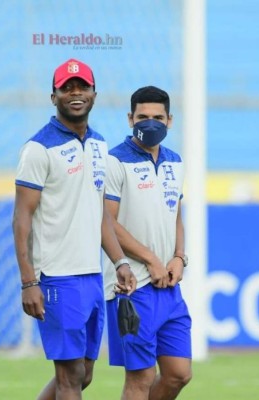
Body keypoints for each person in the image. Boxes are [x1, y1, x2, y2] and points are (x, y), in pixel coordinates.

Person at [12, 58, 136, 400]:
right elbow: (21, 219)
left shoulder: (99, 146)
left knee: (84, 374)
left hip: (92, 276)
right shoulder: (38, 149)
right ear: (53, 97)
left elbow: (100, 215)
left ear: (94, 94)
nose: (75, 93)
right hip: (56, 277)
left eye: (82, 86)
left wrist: (120, 262)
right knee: (69, 377)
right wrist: (28, 281)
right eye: (67, 88)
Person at [103, 86, 192, 399]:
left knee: (179, 374)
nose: (150, 123)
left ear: (170, 121)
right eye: (143, 117)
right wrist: (151, 259)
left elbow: (175, 215)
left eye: (157, 117)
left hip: (169, 288)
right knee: (140, 378)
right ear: (130, 119)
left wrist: (179, 257)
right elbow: (108, 222)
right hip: (133, 288)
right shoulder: (115, 161)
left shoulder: (175, 162)